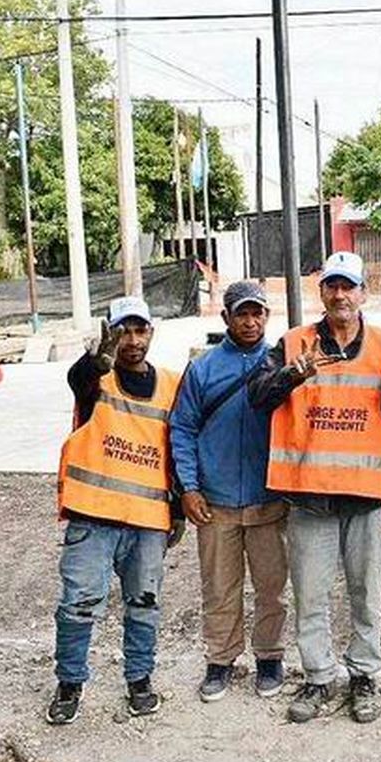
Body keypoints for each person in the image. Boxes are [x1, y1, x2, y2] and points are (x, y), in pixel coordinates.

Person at [247, 252, 381, 725]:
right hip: (309, 499)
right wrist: (292, 374)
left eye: (349, 286)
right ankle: (318, 677)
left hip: (367, 500)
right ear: (321, 292)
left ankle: (363, 675)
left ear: (363, 293)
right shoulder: (291, 344)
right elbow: (257, 398)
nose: (340, 295)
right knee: (312, 596)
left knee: (368, 594)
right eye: (331, 286)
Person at [47, 297, 185, 725]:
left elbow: (176, 451)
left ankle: (139, 680)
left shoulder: (170, 385)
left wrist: (177, 510)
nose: (131, 340)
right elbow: (79, 379)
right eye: (123, 330)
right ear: (110, 332)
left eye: (139, 330)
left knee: (144, 603)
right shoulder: (96, 381)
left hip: (147, 522)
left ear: (152, 333)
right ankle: (70, 683)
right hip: (93, 518)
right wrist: (96, 360)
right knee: (78, 604)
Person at [170, 280, 288, 703]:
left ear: (266, 317)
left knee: (271, 587)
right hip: (215, 502)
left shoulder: (281, 362)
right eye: (242, 313)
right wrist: (189, 487)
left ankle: (270, 657)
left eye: (258, 313)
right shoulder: (203, 369)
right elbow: (182, 428)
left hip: (268, 499)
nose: (251, 321)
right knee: (219, 587)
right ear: (226, 318)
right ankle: (220, 659)